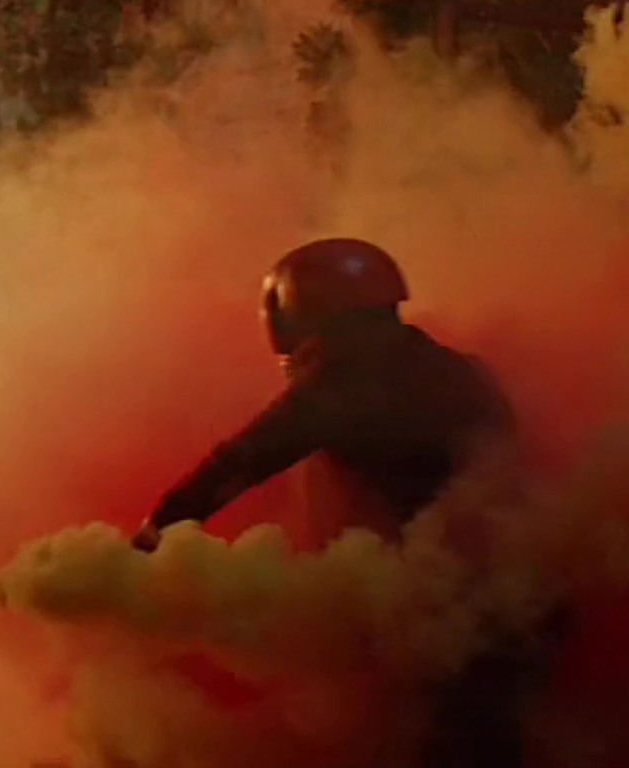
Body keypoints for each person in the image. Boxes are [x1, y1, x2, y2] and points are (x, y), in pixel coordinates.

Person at [129, 238, 544, 768]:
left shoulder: (343, 383)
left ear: (301, 319)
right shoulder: (461, 370)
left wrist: (159, 526)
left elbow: (242, 461)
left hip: (442, 616)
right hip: (513, 597)